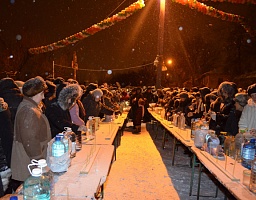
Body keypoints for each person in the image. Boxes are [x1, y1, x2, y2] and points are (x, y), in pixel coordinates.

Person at [11, 76, 51, 190]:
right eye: (42, 93)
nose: (43, 97)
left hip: (31, 159)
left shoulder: (30, 106)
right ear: (37, 93)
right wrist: (39, 160)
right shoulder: (29, 111)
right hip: (29, 161)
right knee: (32, 191)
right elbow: (30, 139)